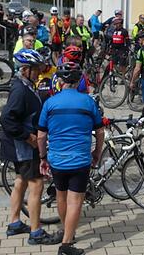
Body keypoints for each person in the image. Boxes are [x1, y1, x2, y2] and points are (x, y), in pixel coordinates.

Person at [38, 62, 104, 255]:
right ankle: (66, 244)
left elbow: (41, 135)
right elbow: (99, 131)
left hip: (57, 160)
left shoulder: (50, 103)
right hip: (80, 159)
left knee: (61, 196)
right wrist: (97, 152)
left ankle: (67, 233)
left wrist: (43, 157)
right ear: (78, 81)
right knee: (75, 201)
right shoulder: (88, 102)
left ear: (60, 81)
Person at [0, 49, 59, 245]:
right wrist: (28, 137)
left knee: (20, 181)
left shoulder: (26, 85)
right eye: (36, 69)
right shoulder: (20, 89)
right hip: (23, 146)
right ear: (25, 69)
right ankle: (36, 233)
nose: (39, 72)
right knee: (37, 185)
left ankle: (15, 223)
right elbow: (7, 119)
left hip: (20, 145)